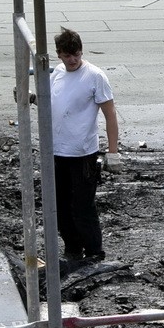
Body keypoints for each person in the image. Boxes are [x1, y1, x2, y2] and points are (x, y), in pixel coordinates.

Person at [50, 28, 119, 264]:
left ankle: (94, 252)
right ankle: (72, 248)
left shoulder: (94, 76)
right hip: (57, 152)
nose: (73, 60)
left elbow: (110, 114)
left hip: (83, 154)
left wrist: (113, 151)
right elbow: (56, 104)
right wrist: (33, 98)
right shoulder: (57, 73)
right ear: (59, 54)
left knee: (83, 207)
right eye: (68, 56)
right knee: (60, 205)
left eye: (77, 54)